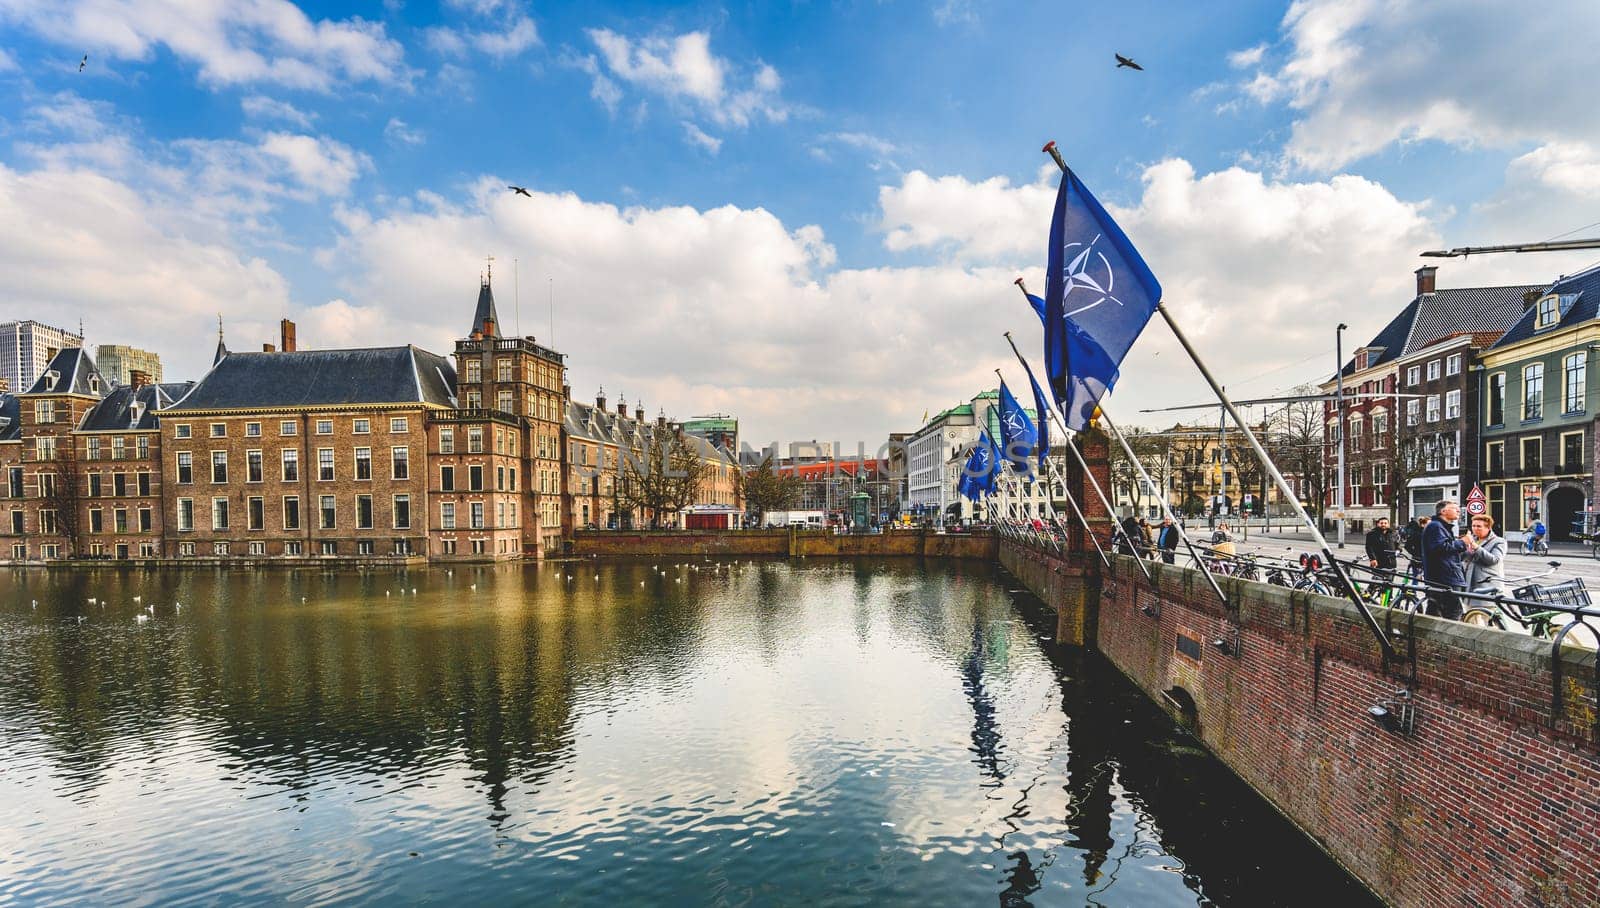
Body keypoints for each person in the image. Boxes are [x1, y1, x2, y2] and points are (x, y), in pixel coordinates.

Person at [1421, 500, 1469, 620]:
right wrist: (1462, 542)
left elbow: (1448, 552)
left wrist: (1465, 550)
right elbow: (1440, 547)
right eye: (1454, 508)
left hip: (1443, 577)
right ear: (1443, 511)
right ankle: (1448, 638)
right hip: (1445, 578)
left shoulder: (1441, 526)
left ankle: (1426, 637)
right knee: (1453, 612)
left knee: (1435, 611)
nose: (1458, 511)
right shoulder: (1436, 526)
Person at [1463, 514, 1507, 597]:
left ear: (1488, 528)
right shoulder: (1472, 539)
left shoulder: (1499, 541)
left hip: (1486, 584)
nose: (1475, 528)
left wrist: (1476, 547)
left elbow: (1494, 560)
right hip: (1469, 582)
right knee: (1471, 609)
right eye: (1473, 526)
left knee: (1486, 608)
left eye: (1479, 526)